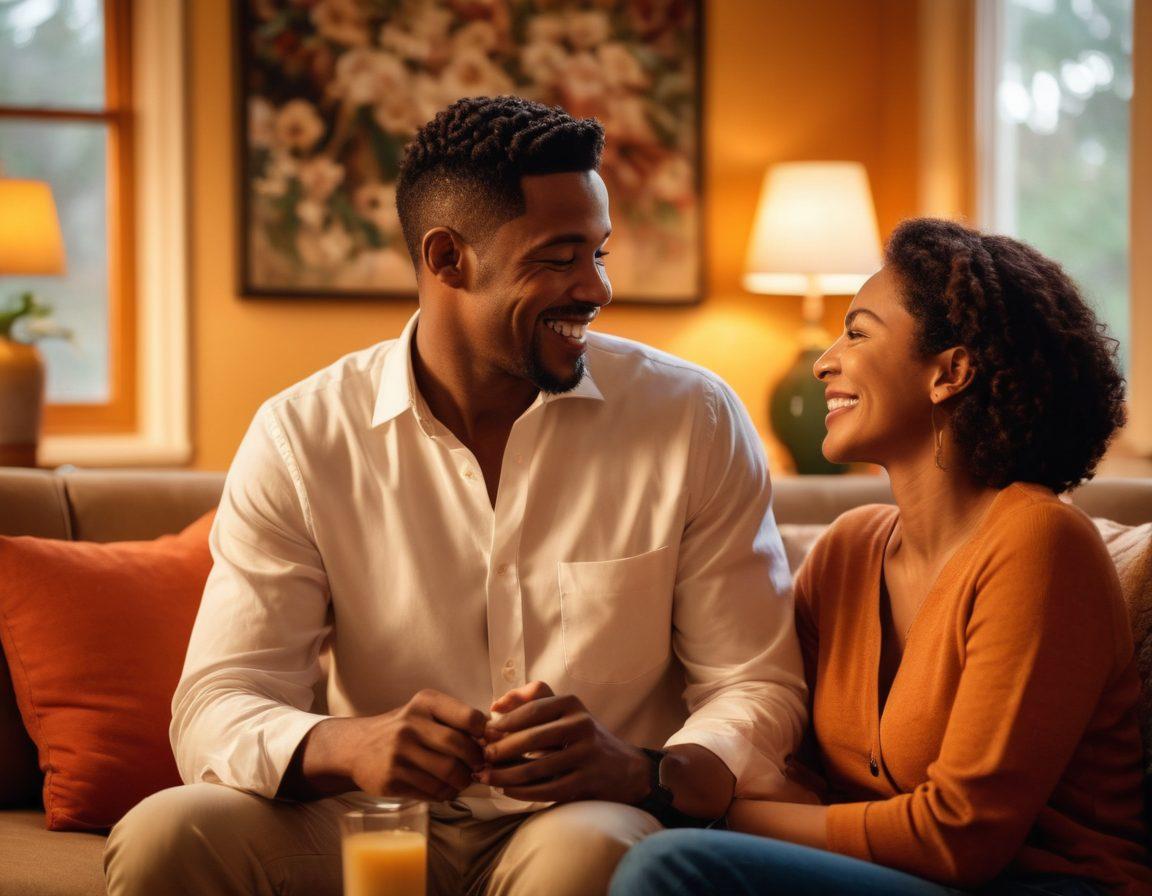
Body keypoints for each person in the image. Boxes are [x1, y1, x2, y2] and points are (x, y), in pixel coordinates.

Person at [102, 96, 807, 896]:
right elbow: (219, 701)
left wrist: (642, 767)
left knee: (597, 857)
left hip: (579, 819)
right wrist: (348, 745)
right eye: (559, 258)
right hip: (372, 818)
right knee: (166, 834)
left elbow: (754, 682)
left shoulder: (692, 418)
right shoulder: (302, 437)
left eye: (600, 252)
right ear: (447, 259)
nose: (597, 288)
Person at [610, 218, 1151, 896]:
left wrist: (711, 812)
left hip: (1043, 885)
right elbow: (795, 775)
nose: (824, 361)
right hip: (888, 877)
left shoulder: (1040, 544)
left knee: (672, 864)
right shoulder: (849, 549)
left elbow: (960, 838)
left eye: (859, 332)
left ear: (949, 372)